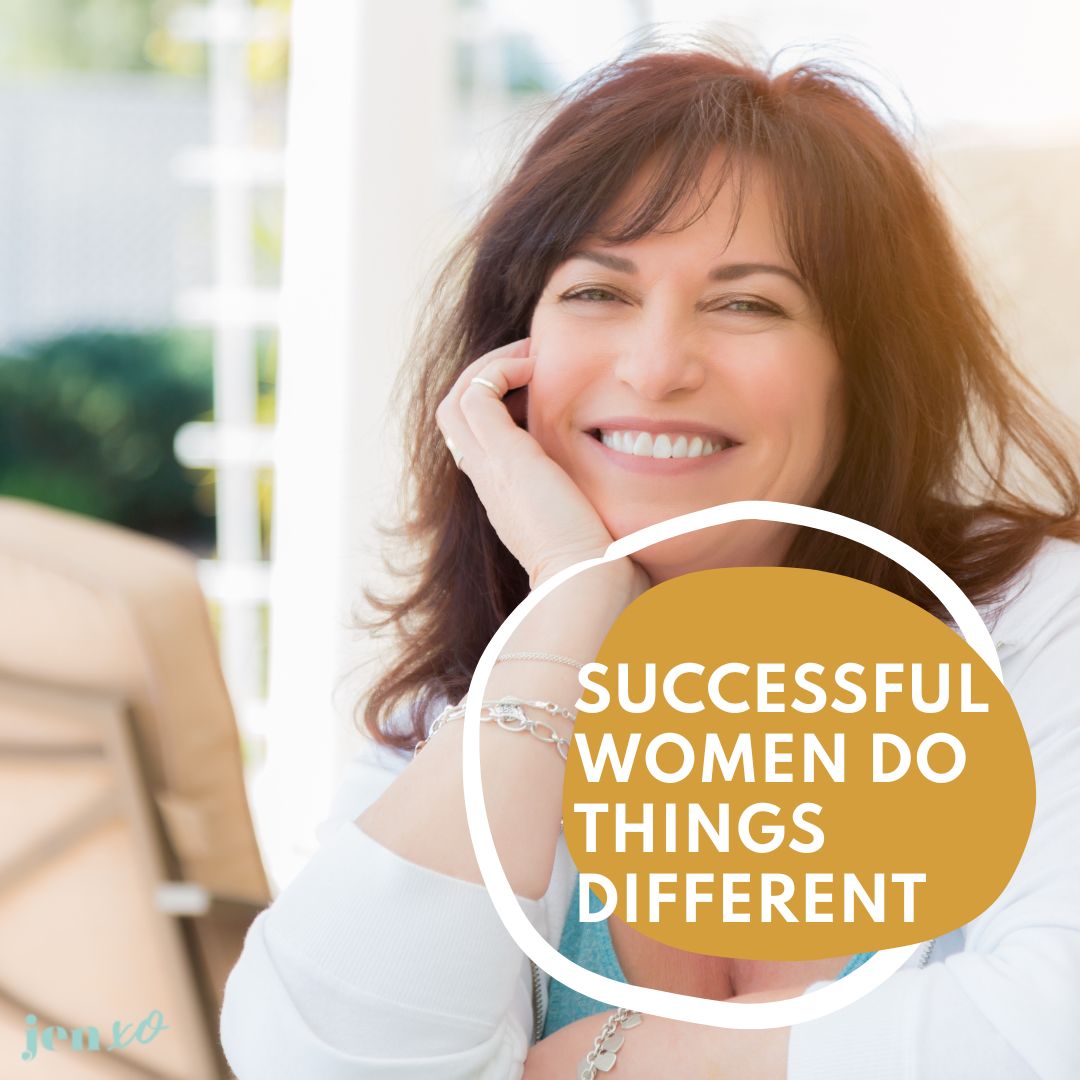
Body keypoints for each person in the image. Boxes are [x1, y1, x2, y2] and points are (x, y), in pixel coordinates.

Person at [219, 31, 1080, 1079]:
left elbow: (1049, 1031)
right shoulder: (500, 697)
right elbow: (322, 1057)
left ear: (870, 371)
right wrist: (568, 611)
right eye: (598, 292)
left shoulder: (1040, 624)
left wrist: (612, 1060)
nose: (658, 365)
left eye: (748, 303)